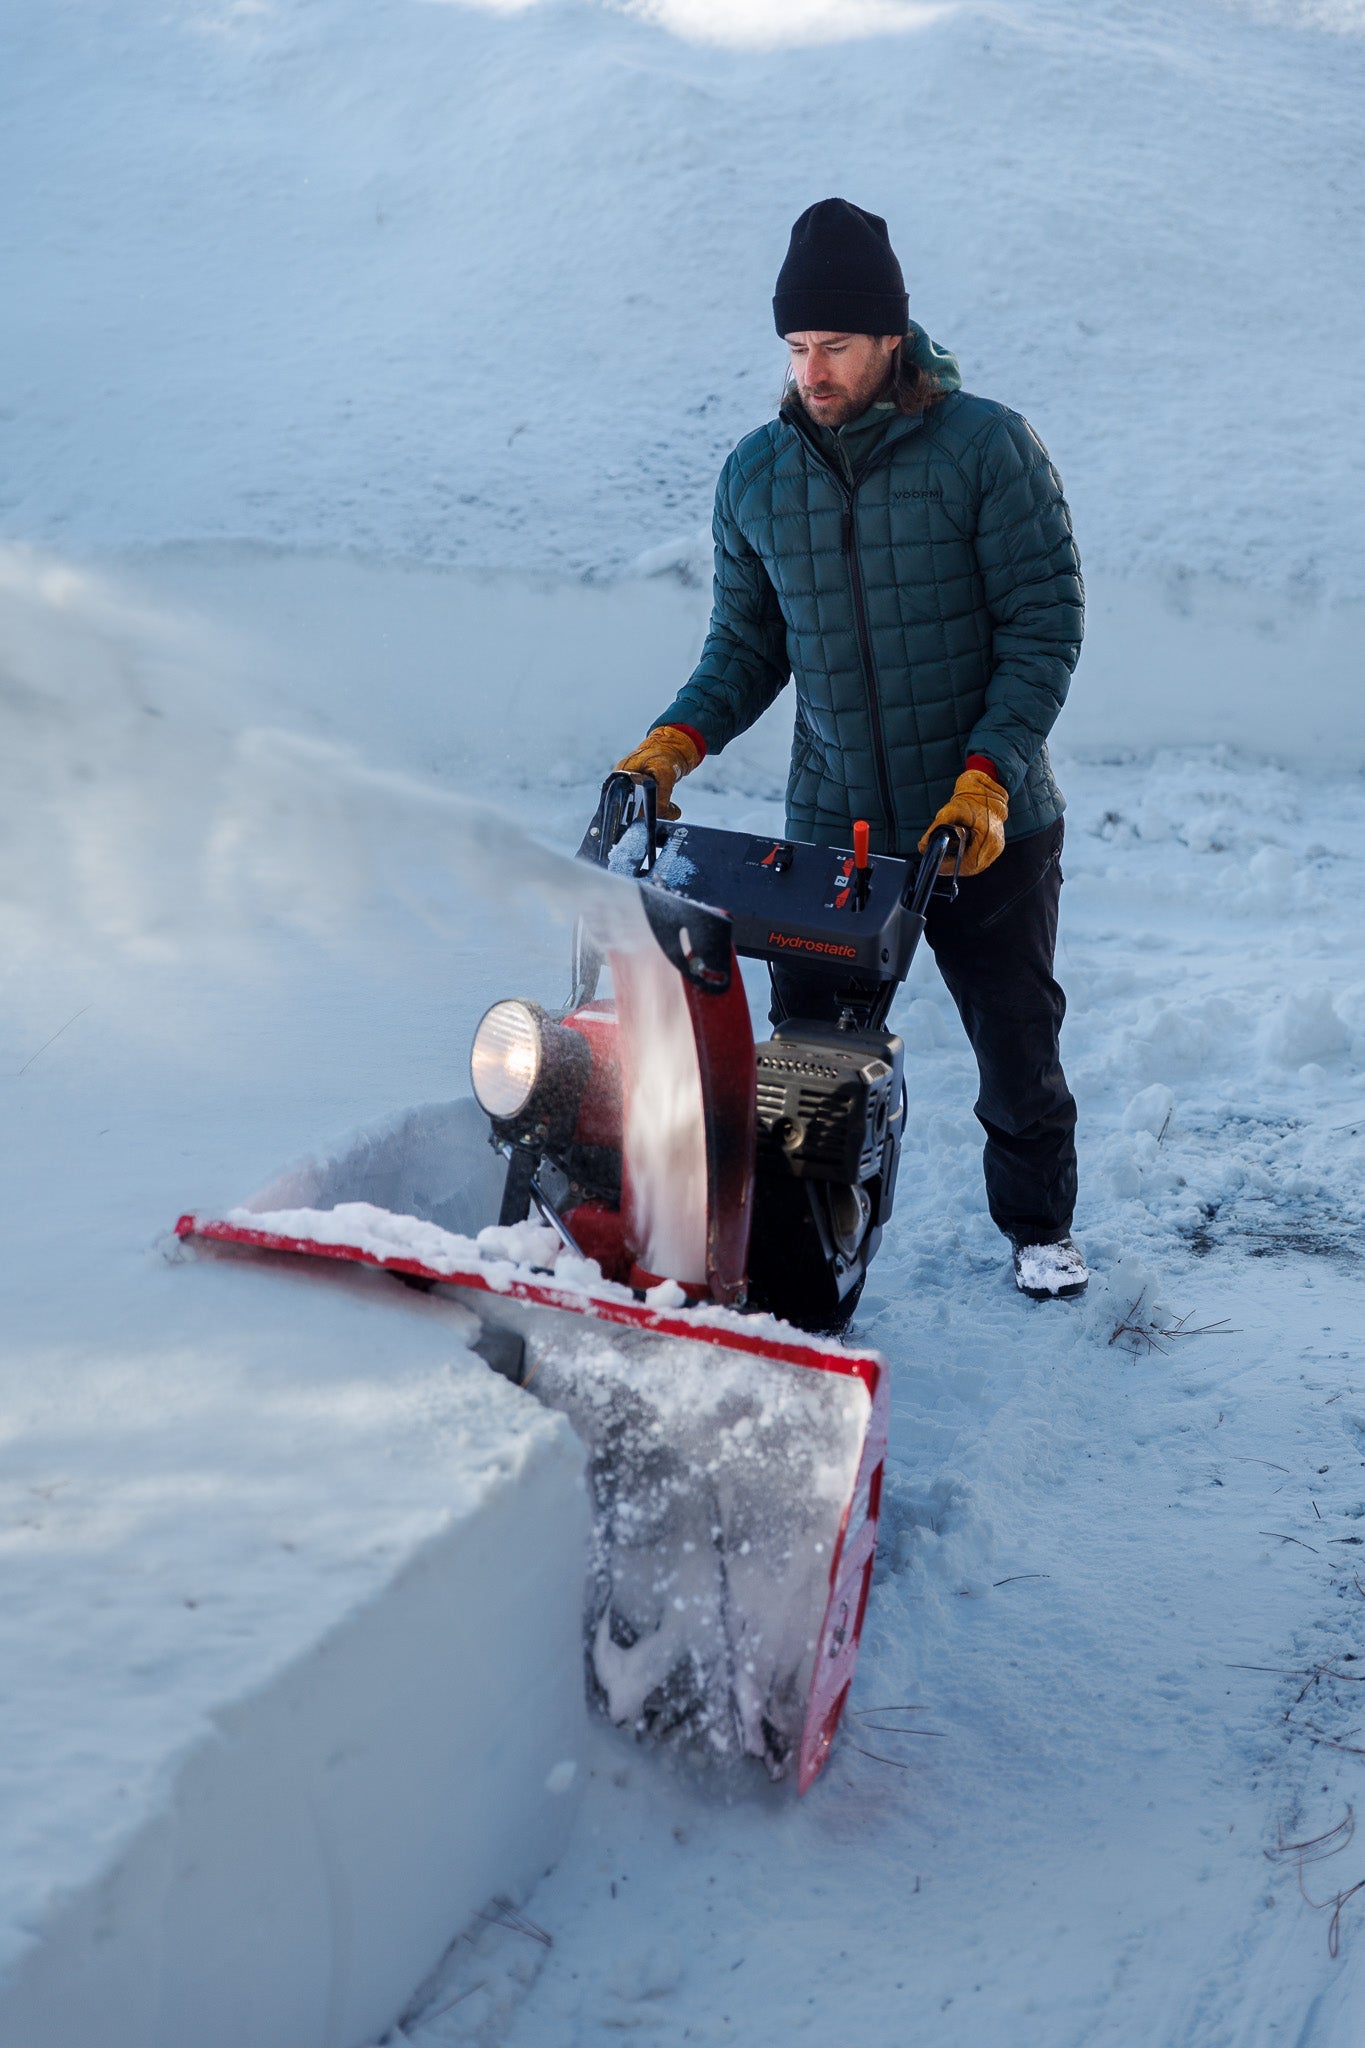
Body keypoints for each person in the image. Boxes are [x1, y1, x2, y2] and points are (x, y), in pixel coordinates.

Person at [615, 197, 1086, 1301]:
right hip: (837, 831)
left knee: (1017, 1046)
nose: (811, 370)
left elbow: (1044, 625)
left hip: (984, 817)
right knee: (812, 1070)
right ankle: (801, 1258)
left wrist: (987, 778)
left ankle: (1039, 1226)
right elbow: (744, 646)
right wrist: (669, 746)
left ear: (892, 338)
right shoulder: (757, 477)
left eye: (833, 345)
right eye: (795, 346)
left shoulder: (987, 449)